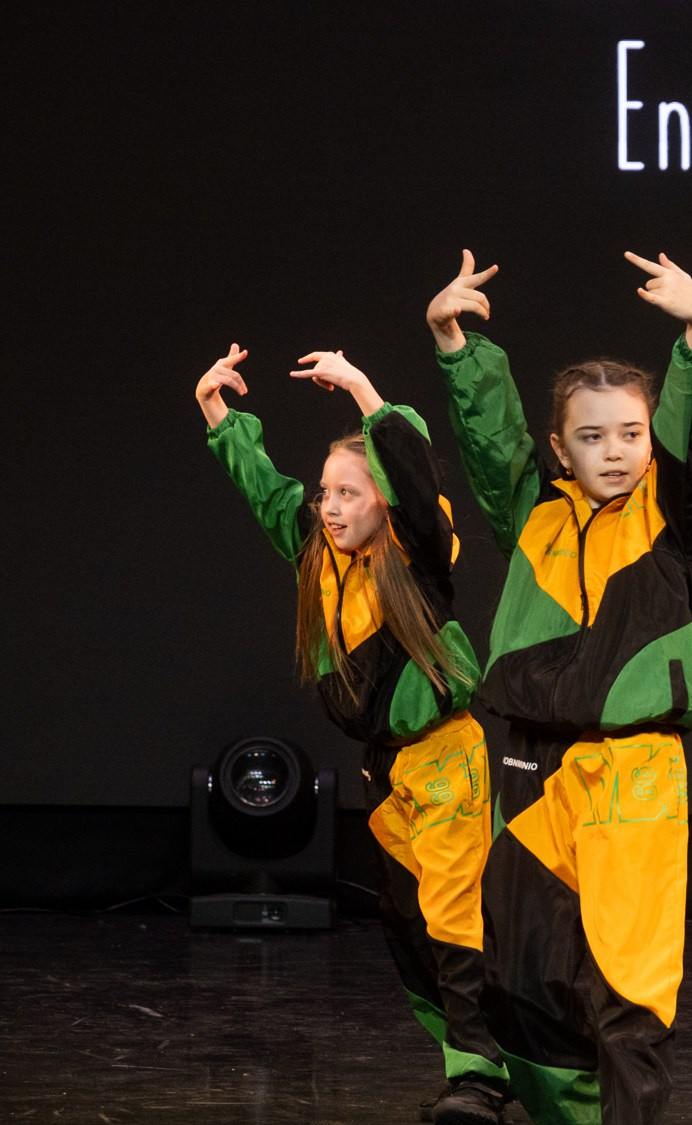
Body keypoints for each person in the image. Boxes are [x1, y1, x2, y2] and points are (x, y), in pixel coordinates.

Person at [425, 249, 692, 1124]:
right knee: (523, 971)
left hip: (632, 770)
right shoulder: (536, 515)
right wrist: (454, 345)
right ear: (560, 448)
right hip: (530, 764)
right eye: (591, 436)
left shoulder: (670, 521)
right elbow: (492, 448)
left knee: (628, 975)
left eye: (630, 434)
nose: (614, 451)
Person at [199, 344, 511, 1124]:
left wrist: (368, 392)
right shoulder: (319, 556)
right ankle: (471, 1064)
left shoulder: (416, 556)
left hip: (444, 761)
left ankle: (484, 1074)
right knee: (408, 925)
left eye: (348, 491)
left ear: (383, 503)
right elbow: (270, 494)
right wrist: (217, 414)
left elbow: (411, 470)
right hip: (388, 775)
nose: (330, 506)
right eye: (326, 493)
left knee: (453, 916)